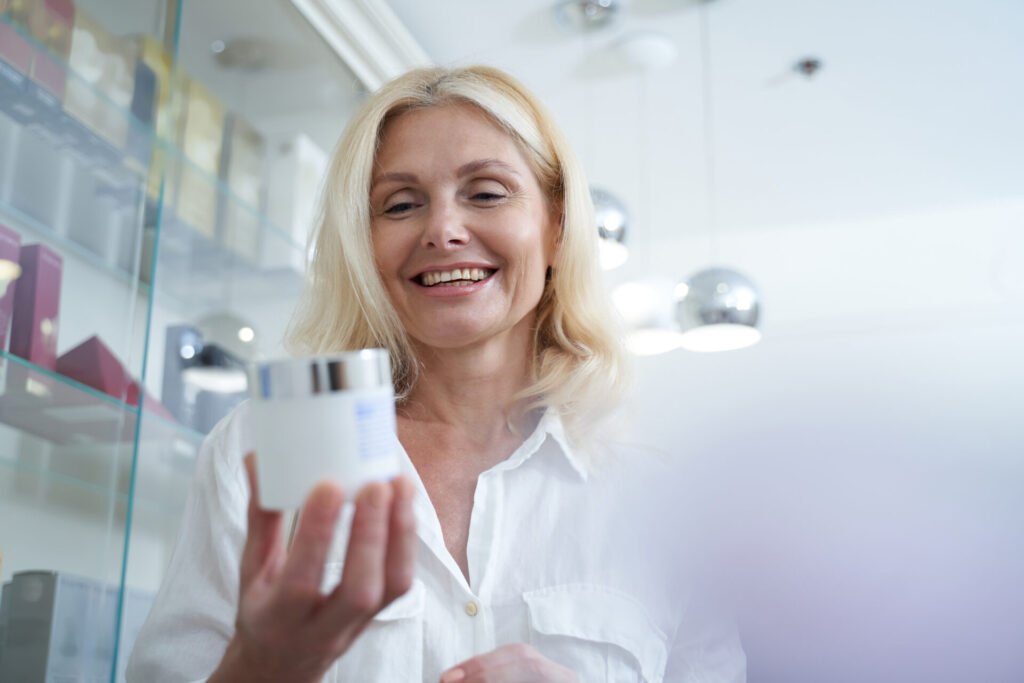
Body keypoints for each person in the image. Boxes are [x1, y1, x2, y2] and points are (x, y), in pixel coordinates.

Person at [126, 65, 745, 682]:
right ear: (363, 244)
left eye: (486, 192)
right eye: (400, 204)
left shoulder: (658, 502)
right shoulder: (261, 446)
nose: (443, 230)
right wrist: (262, 668)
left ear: (556, 226)